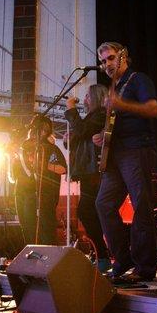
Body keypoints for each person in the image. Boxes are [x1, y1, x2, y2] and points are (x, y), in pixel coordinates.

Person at [93, 41, 157, 283]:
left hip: (137, 148)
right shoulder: (115, 88)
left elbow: (153, 109)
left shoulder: (137, 80)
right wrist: (103, 136)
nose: (107, 64)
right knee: (103, 203)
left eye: (111, 58)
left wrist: (122, 105)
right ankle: (123, 260)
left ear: (124, 56)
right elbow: (115, 124)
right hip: (116, 153)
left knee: (141, 205)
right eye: (103, 62)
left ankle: (144, 267)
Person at [64, 84, 111, 272]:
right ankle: (101, 255)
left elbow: (83, 130)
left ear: (96, 98)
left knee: (87, 211)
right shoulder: (92, 117)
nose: (84, 100)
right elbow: (81, 136)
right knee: (88, 212)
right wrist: (70, 139)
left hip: (93, 172)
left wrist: (70, 108)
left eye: (87, 96)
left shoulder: (100, 114)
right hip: (86, 171)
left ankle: (103, 255)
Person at [18, 115, 67, 245]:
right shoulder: (25, 148)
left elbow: (63, 169)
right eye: (40, 128)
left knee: (46, 230)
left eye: (46, 129)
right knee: (28, 228)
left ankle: (49, 260)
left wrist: (44, 165)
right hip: (24, 192)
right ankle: (32, 259)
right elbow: (16, 175)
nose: (43, 132)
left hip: (45, 194)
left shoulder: (50, 148)